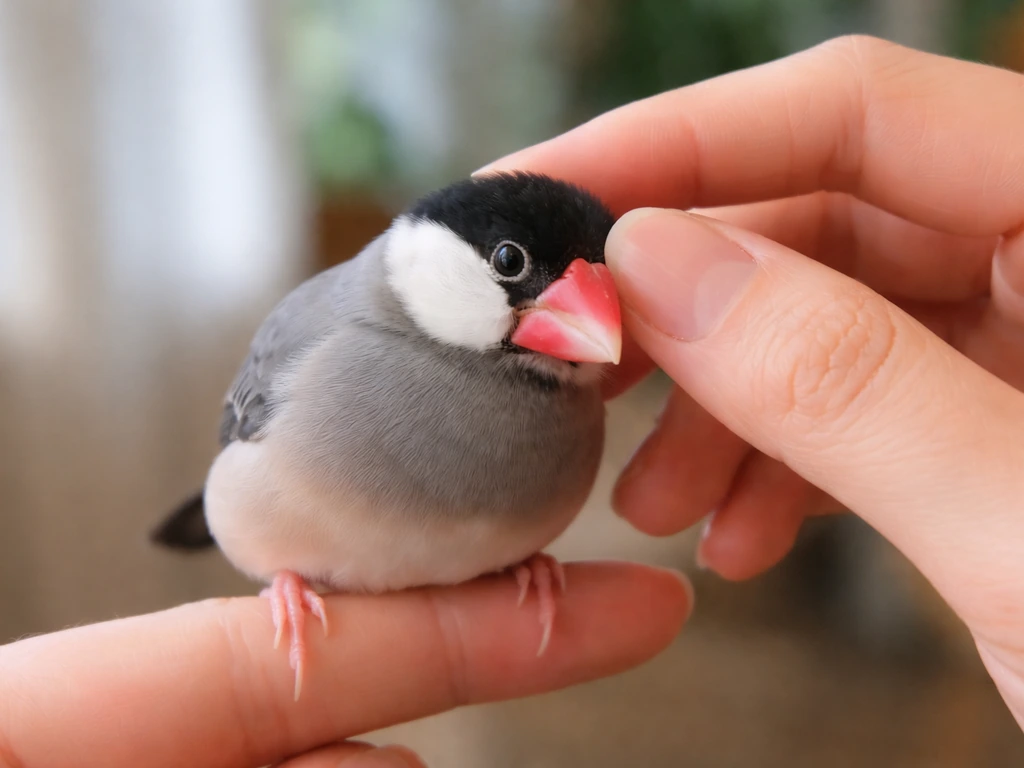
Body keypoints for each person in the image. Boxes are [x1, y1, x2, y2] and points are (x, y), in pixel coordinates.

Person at [2, 35, 1023, 766]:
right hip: (277, 518)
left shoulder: (569, 402)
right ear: (434, 257)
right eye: (510, 266)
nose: (575, 310)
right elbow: (244, 455)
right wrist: (280, 575)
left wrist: (523, 558)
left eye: (588, 284)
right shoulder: (326, 338)